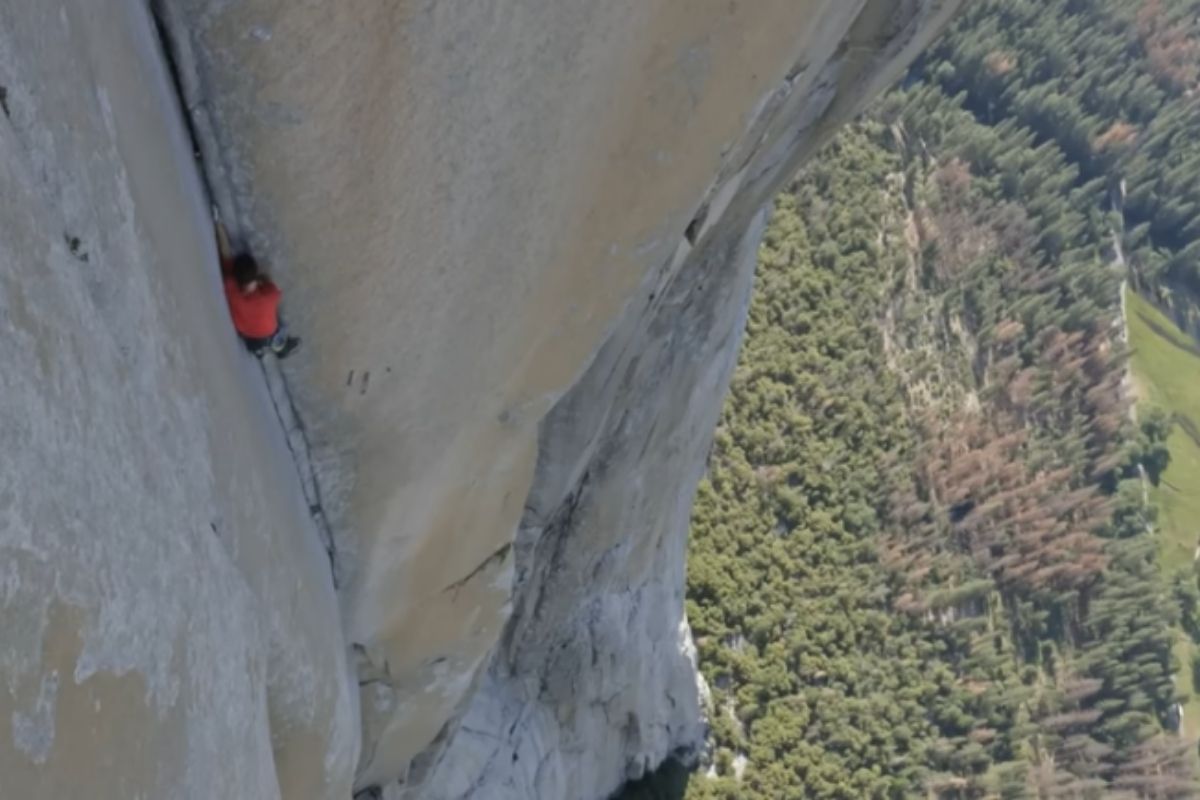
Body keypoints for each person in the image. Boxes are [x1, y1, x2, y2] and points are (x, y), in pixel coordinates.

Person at [214, 217, 300, 358]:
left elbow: (225, 253)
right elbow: (276, 291)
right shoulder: (270, 295)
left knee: (261, 322)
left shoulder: (232, 288)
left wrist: (219, 227)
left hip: (247, 337)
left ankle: (261, 349)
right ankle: (280, 347)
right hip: (267, 332)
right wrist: (262, 280)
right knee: (275, 319)